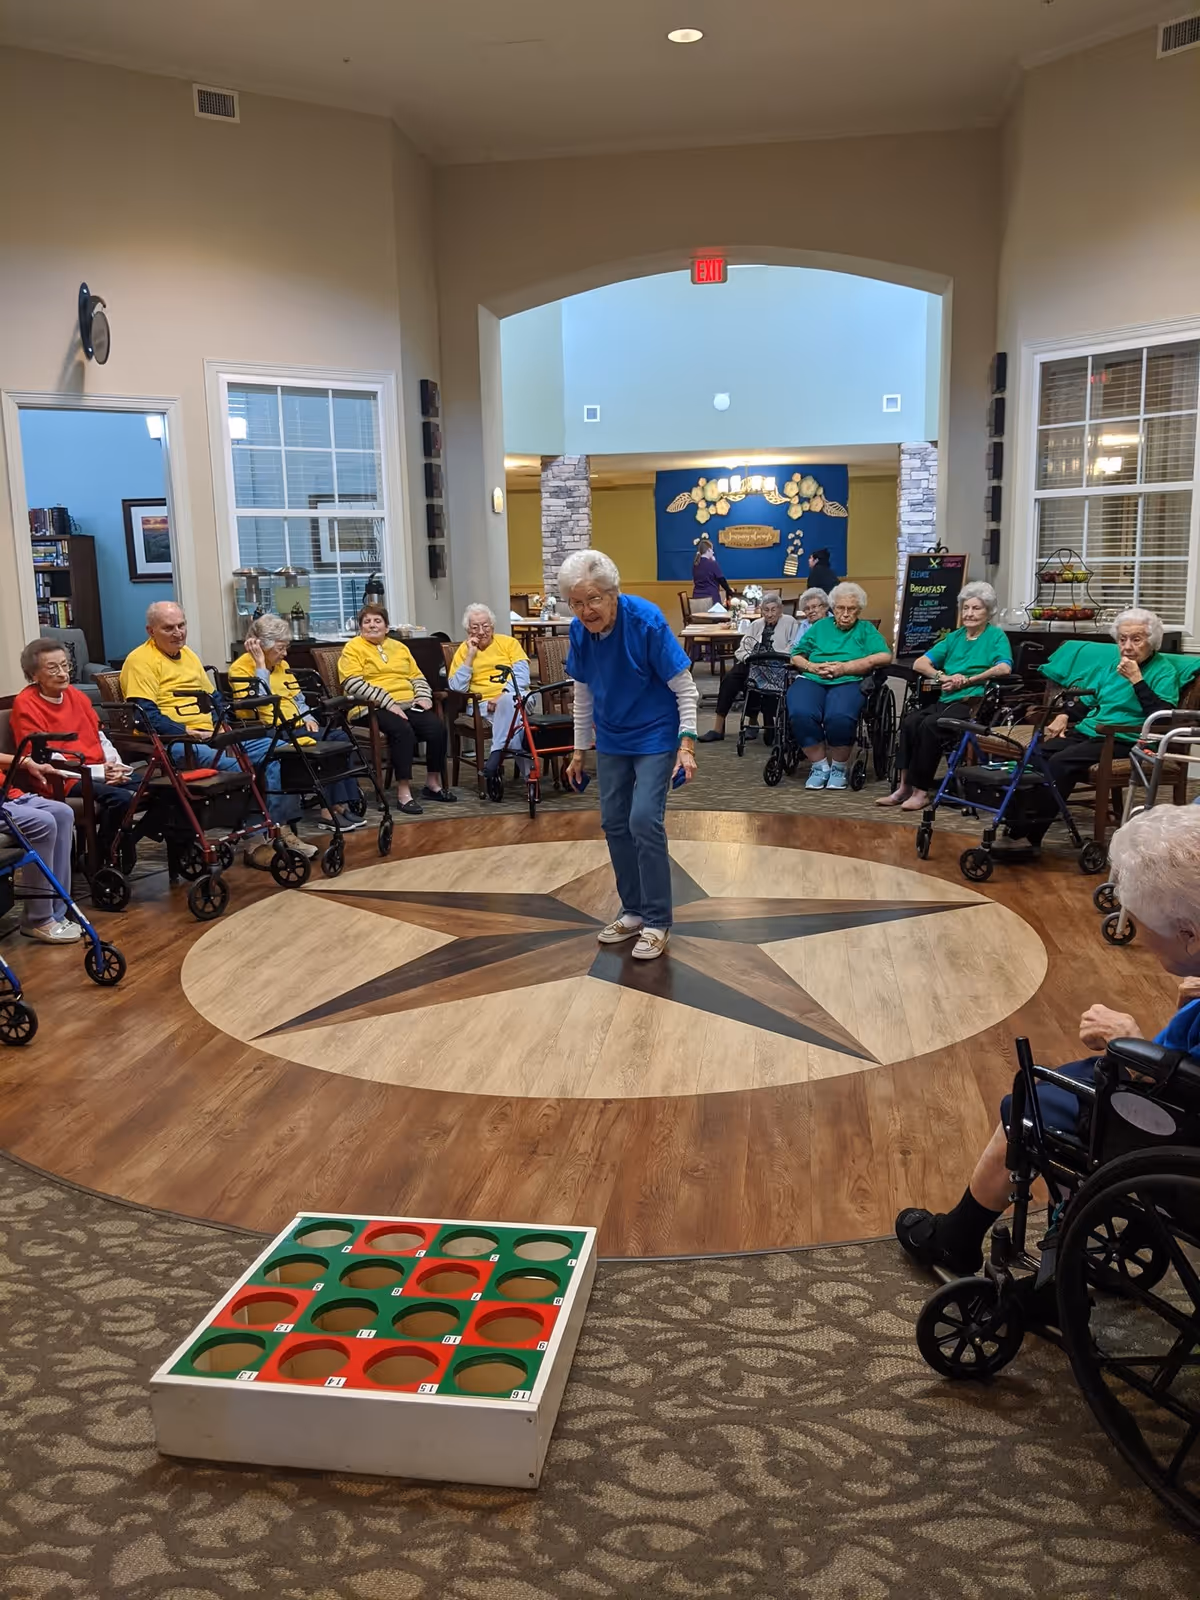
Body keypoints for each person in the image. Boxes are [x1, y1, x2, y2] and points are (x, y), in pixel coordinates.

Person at [896, 804, 1200, 1277]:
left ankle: (959, 1237)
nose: (1137, 934)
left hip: (1176, 1133)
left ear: (1190, 935)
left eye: (1140, 924)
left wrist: (1132, 1046)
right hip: (1174, 1104)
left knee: (1031, 1101)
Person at [562, 550, 698, 961]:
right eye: (577, 603)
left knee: (643, 820)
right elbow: (582, 693)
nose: (586, 611)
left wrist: (687, 745)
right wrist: (578, 749)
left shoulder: (646, 621)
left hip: (656, 732)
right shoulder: (579, 630)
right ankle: (634, 911)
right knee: (614, 822)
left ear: (613, 594)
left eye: (594, 600)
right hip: (613, 735)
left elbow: (686, 688)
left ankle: (658, 920)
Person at [994, 607, 1200, 859]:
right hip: (1091, 732)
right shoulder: (1113, 666)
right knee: (1035, 755)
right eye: (1122, 639)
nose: (1127, 646)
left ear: (1152, 641)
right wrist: (1065, 715)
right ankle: (1015, 826)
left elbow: (1161, 716)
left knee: (1060, 762)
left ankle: (1029, 837)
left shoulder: (1163, 670)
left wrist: (1137, 680)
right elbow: (1089, 701)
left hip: (1126, 739)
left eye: (1136, 639)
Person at [120, 601, 317, 863]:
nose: (178, 633)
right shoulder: (140, 660)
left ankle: (278, 830)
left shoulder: (188, 655)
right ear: (150, 631)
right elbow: (145, 717)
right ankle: (256, 841)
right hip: (177, 742)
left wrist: (221, 722)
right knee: (239, 768)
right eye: (169, 628)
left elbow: (214, 698)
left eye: (182, 625)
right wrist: (187, 731)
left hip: (213, 735)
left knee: (278, 751)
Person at [878, 581, 1012, 811]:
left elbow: (1004, 668)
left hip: (975, 702)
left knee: (931, 725)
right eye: (966, 608)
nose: (969, 613)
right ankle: (903, 788)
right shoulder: (954, 637)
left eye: (976, 608)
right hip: (947, 697)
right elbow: (921, 663)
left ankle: (921, 792)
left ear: (988, 611)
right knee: (910, 722)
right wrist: (943, 677)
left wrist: (970, 680)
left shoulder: (996, 637)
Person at [227, 614, 364, 837]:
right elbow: (258, 705)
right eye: (281, 648)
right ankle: (328, 812)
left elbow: (297, 698)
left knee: (340, 738)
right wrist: (260, 665)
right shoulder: (240, 669)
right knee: (324, 745)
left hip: (297, 724)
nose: (285, 654)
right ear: (261, 646)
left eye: (286, 647)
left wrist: (308, 718)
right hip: (272, 730)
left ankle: (341, 804)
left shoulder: (283, 666)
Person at [10, 638, 141, 857]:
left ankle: (121, 840)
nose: (62, 673)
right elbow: (43, 758)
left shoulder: (77, 696)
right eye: (53, 668)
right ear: (34, 675)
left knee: (159, 787)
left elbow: (99, 736)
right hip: (62, 778)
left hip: (96, 770)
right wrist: (100, 773)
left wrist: (115, 765)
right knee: (121, 799)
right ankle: (102, 853)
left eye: (65, 665)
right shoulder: (26, 704)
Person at [337, 604, 455, 815]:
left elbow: (416, 676)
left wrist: (423, 696)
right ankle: (404, 791)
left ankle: (432, 783)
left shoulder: (400, 647)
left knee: (436, 726)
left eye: (377, 621)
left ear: (386, 626)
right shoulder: (353, 648)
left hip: (407, 704)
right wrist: (386, 701)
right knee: (402, 730)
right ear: (360, 626)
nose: (372, 625)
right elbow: (352, 684)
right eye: (367, 622)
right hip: (370, 708)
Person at [786, 582, 892, 790]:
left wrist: (847, 667)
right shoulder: (819, 627)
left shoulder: (865, 629)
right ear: (832, 609)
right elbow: (796, 655)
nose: (845, 614)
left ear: (859, 610)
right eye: (840, 608)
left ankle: (838, 768)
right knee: (800, 712)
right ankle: (819, 767)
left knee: (839, 717)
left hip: (849, 679)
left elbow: (885, 655)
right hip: (813, 677)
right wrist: (812, 666)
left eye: (851, 609)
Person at [698, 591, 801, 744]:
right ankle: (717, 729)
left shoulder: (790, 622)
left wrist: (776, 657)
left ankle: (757, 724)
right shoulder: (756, 625)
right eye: (766, 610)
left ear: (780, 610)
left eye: (773, 610)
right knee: (730, 680)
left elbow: (794, 646)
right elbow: (742, 649)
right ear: (761, 610)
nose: (770, 614)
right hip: (753, 663)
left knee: (756, 682)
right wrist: (748, 658)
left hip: (777, 666)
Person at [0, 749, 79, 943]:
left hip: (6, 795)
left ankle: (57, 914)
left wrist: (27, 762)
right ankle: (37, 919)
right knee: (42, 822)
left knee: (62, 813)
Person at [447, 605, 530, 775]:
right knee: (516, 723)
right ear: (467, 630)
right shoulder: (464, 650)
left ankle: (496, 754)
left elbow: (522, 676)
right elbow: (457, 687)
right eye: (475, 627)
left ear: (493, 627)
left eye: (485, 626)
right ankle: (530, 775)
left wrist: (503, 695)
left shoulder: (509, 643)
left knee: (509, 703)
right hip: (483, 705)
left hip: (517, 696)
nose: (481, 631)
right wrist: (470, 655)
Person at [691, 539, 735, 607]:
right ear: (708, 550)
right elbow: (721, 580)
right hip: (711, 601)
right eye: (712, 550)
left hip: (696, 601)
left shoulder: (695, 564)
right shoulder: (712, 564)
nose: (713, 552)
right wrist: (729, 591)